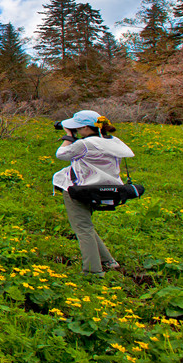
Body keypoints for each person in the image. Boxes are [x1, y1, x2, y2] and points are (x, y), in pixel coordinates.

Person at [51, 109, 134, 276]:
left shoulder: (84, 144)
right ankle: (109, 262)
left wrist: (69, 137)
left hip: (79, 189)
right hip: (104, 189)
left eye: (77, 127)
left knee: (83, 228)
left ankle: (93, 271)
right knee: (86, 226)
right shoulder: (113, 141)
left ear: (85, 128)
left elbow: (61, 154)